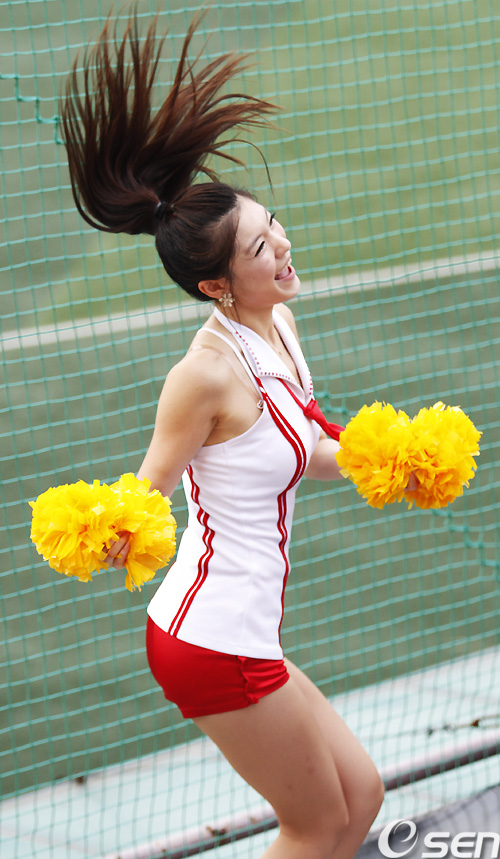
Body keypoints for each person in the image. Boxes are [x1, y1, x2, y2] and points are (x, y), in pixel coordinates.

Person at [60, 11, 385, 857]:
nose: (282, 245)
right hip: (210, 640)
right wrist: (106, 531)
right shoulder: (202, 375)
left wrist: (381, 461)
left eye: (272, 223)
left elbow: (303, 451)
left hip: (244, 628)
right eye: (259, 247)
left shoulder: (278, 324)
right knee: (317, 825)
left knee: (362, 796)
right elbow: (148, 489)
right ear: (216, 285)